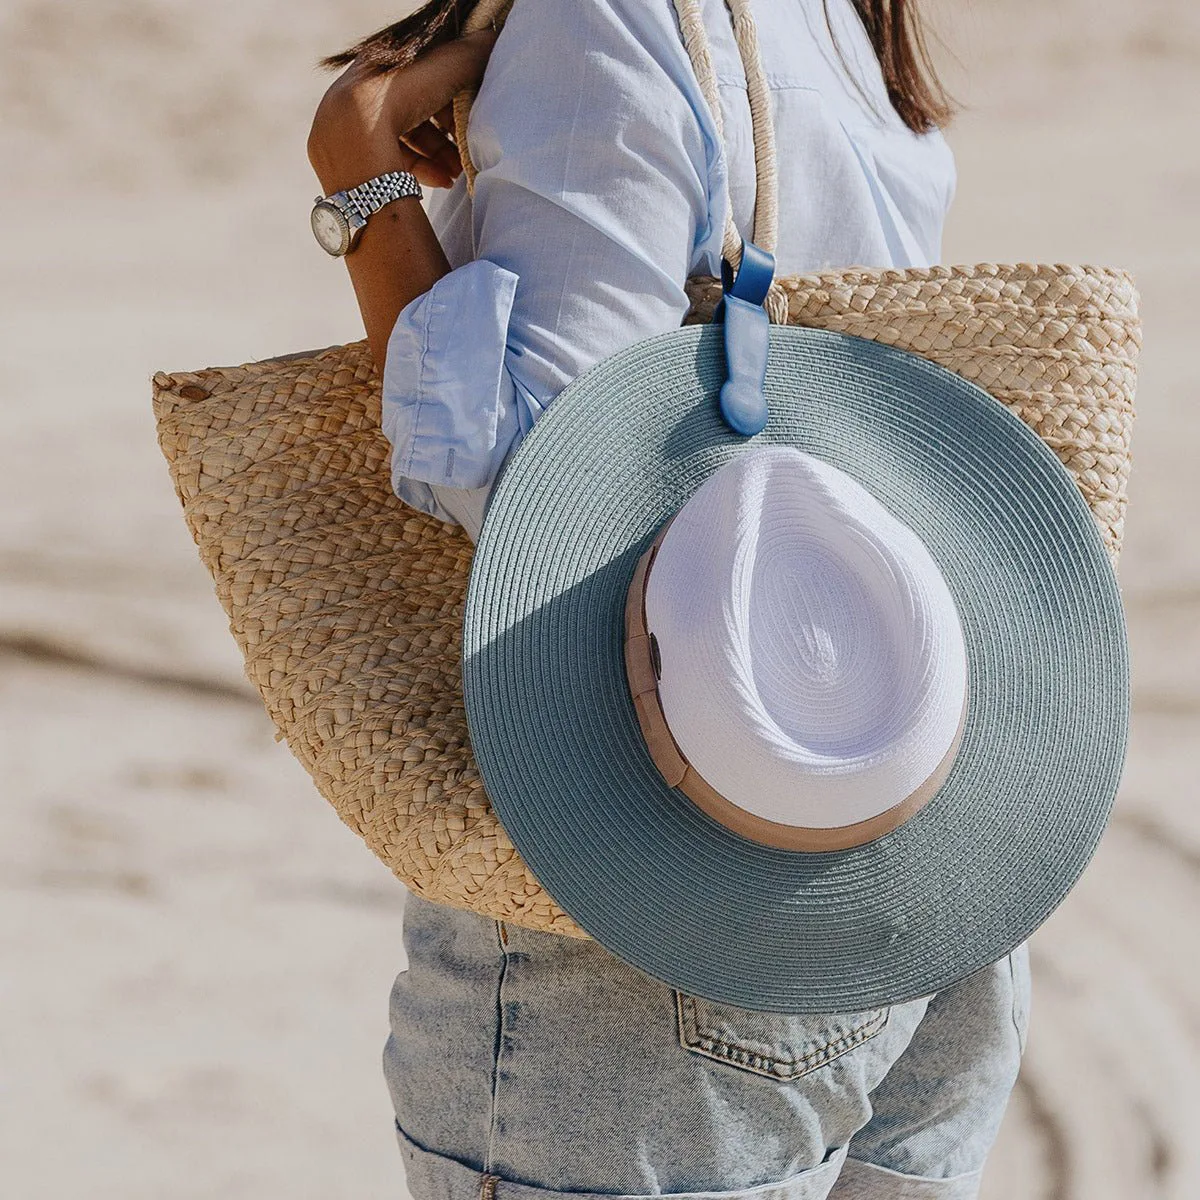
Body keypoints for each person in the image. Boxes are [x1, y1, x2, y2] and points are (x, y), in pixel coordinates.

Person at [306, 2, 1030, 1196]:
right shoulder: (840, 17)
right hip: (902, 874)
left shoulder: (610, 16)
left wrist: (367, 186)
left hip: (656, 931)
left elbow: (536, 492)